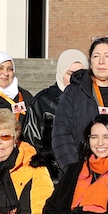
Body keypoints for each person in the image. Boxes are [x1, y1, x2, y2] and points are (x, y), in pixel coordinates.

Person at [51, 37, 108, 171]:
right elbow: (61, 135)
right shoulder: (74, 92)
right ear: (90, 63)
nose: (101, 62)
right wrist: (74, 171)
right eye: (96, 56)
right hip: (83, 172)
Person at [21, 48, 88, 176]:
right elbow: (31, 143)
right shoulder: (42, 102)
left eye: (81, 74)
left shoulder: (92, 100)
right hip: (53, 175)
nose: (76, 79)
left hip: (86, 173)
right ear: (61, 72)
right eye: (70, 74)